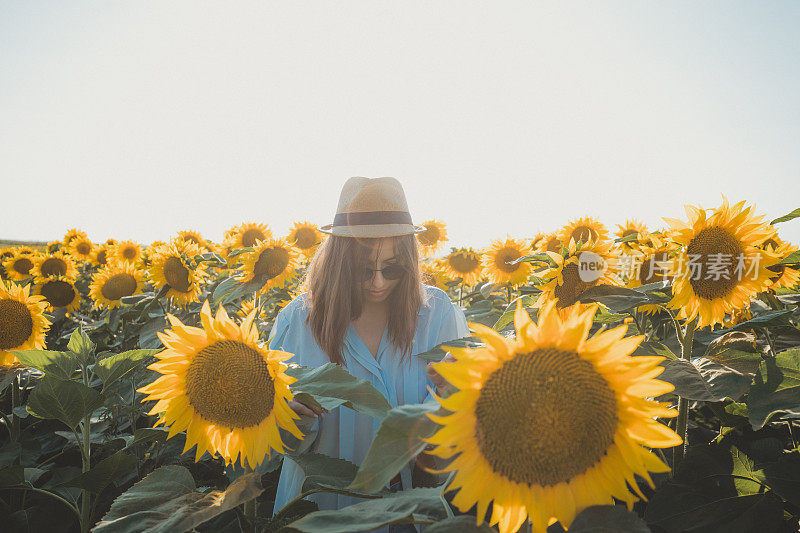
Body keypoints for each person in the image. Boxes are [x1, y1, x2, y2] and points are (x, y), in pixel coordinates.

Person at [268, 177, 469, 529]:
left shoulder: (437, 315)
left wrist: (459, 395)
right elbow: (270, 445)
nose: (378, 282)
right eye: (363, 269)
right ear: (338, 261)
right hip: (320, 511)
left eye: (391, 268)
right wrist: (290, 419)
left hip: (411, 513)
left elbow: (458, 431)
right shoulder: (297, 321)